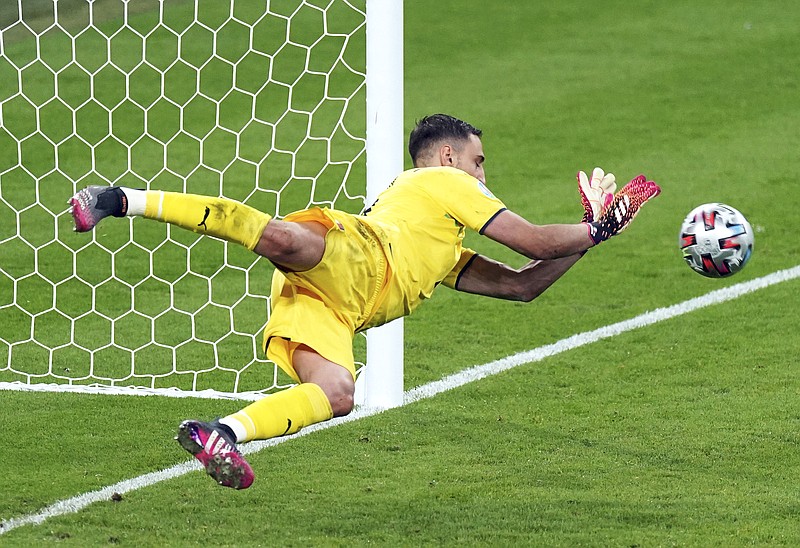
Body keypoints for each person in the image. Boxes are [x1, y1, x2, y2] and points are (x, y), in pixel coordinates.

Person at [69, 114, 660, 489]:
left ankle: (219, 431)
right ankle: (118, 199)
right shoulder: (441, 182)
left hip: (332, 308)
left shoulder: (440, 244)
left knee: (337, 395)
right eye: (479, 161)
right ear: (450, 158)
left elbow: (523, 283)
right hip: (353, 254)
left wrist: (590, 233)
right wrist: (600, 229)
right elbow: (531, 240)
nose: (483, 175)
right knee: (276, 236)